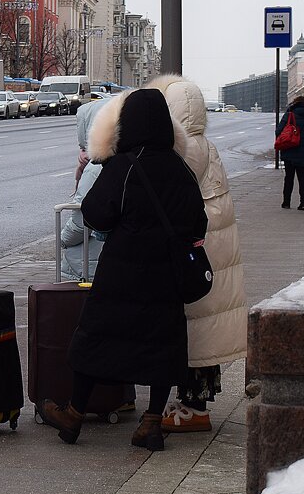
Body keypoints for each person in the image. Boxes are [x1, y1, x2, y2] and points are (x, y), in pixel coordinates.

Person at [39, 89, 208, 451]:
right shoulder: (181, 169)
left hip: (122, 275)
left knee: (94, 339)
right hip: (166, 280)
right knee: (163, 346)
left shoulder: (126, 165)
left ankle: (73, 415)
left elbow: (95, 213)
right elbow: (199, 223)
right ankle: (151, 424)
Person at [147, 75, 247, 433]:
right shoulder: (207, 144)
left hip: (197, 253)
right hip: (214, 254)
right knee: (205, 329)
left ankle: (194, 409)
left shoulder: (185, 149)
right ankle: (194, 402)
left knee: (197, 332)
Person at [59, 100, 108, 281]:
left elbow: (83, 219)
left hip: (88, 261)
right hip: (101, 257)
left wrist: (63, 239)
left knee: (81, 305)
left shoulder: (96, 166)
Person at [277, 95, 304, 211]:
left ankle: (286, 202)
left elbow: (278, 131)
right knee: (303, 177)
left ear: (294, 103)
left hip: (289, 149)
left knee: (289, 177)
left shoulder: (289, 115)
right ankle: (303, 203)